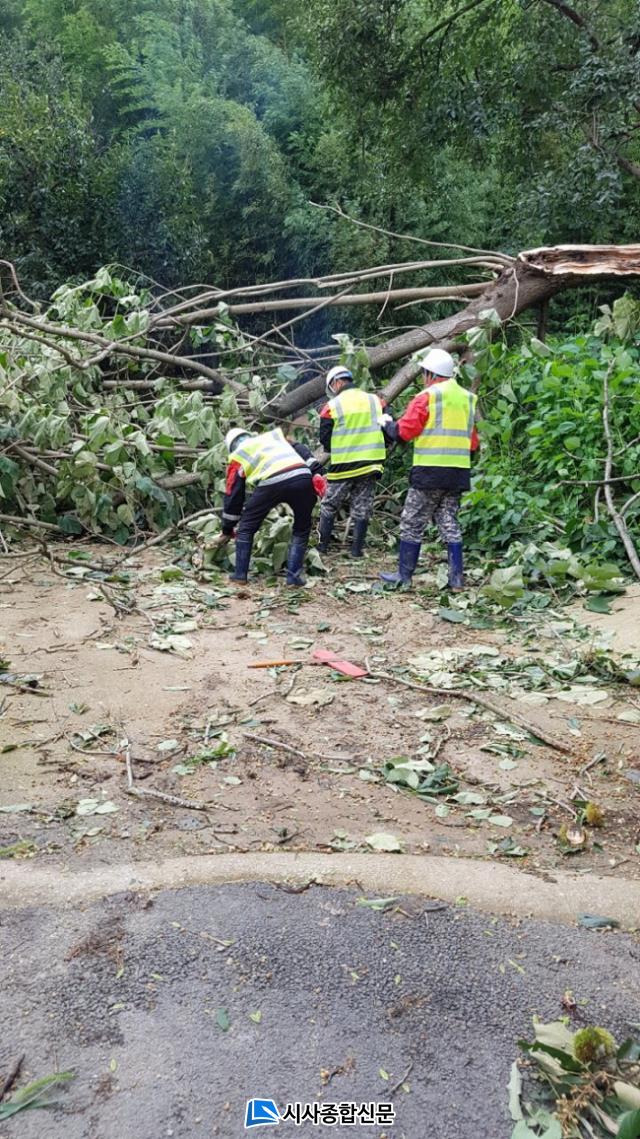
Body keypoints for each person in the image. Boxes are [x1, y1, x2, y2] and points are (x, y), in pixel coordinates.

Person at [379, 348, 479, 590]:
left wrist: (387, 425)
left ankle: (404, 576)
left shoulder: (428, 397)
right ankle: (456, 578)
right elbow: (473, 443)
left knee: (412, 521)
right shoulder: (467, 398)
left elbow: (405, 432)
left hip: (429, 472)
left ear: (430, 374)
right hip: (458, 472)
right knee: (448, 520)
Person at [221, 427, 325, 586]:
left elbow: (233, 495)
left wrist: (227, 528)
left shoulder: (238, 455)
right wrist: (317, 472)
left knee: (246, 528)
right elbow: (300, 448)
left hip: (272, 480)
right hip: (302, 476)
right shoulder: (272, 438)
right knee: (301, 529)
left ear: (231, 447)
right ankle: (294, 577)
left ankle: (240, 575)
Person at [317, 365, 387, 558]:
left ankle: (322, 548)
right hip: (371, 463)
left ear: (336, 383)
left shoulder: (331, 407)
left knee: (329, 505)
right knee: (362, 507)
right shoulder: (376, 401)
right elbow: (389, 427)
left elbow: (325, 439)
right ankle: (356, 551)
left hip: (344, 465)